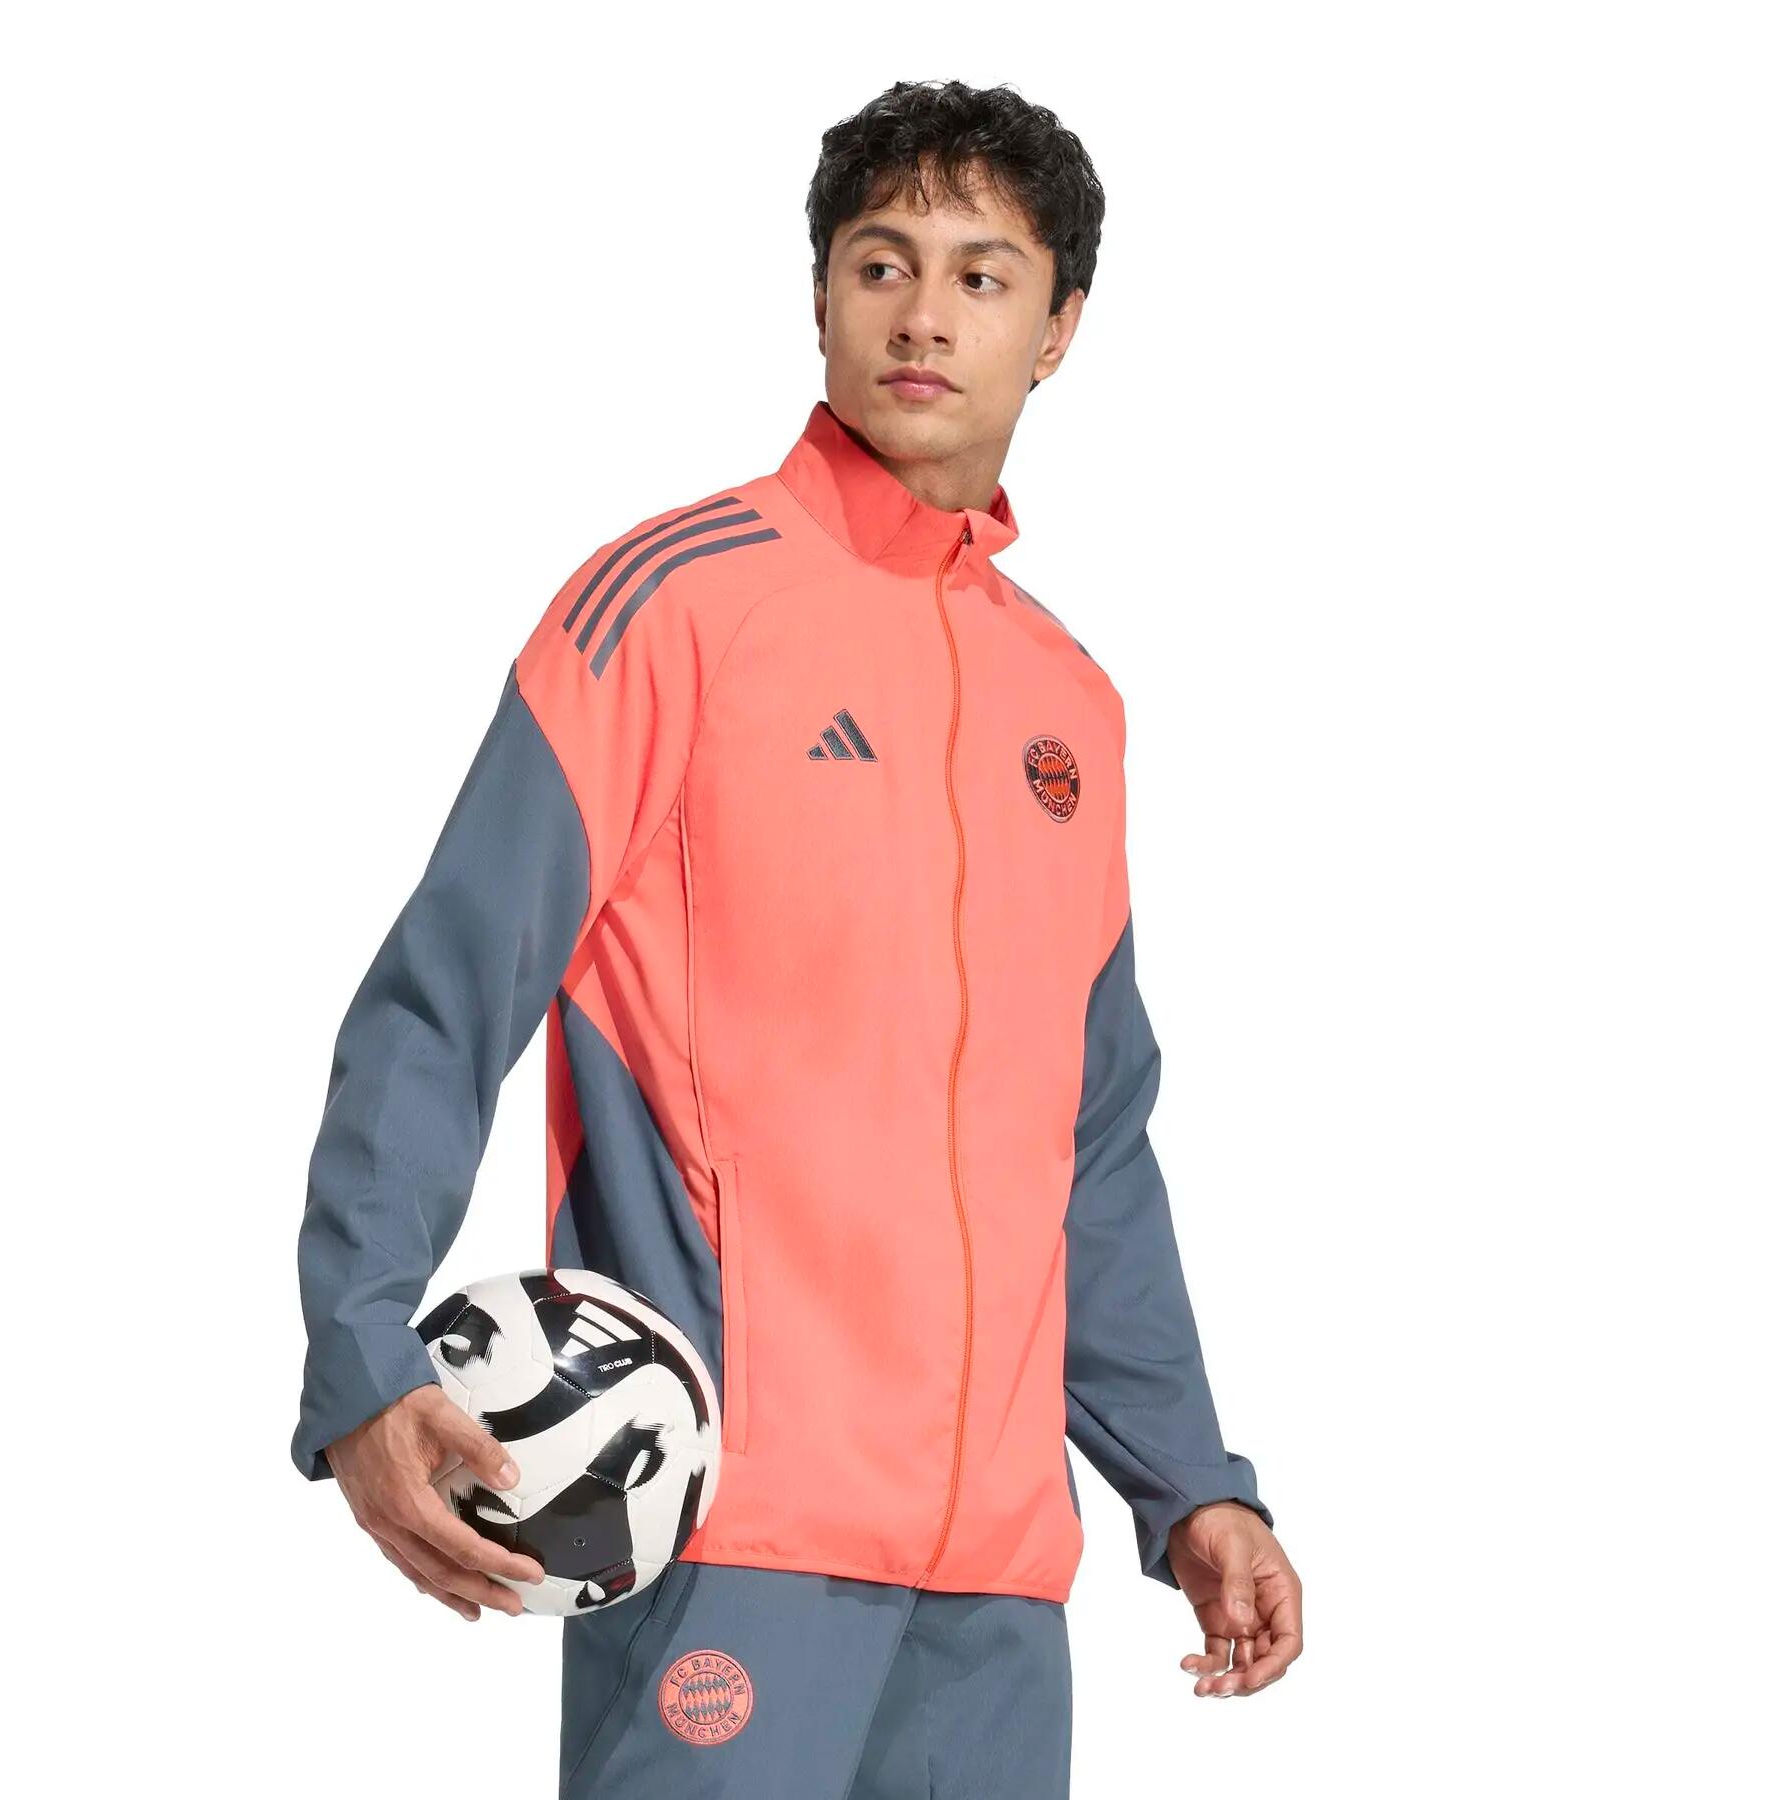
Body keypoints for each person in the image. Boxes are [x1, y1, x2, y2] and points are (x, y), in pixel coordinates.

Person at [291, 77, 1304, 1797]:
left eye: (983, 276)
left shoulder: (1070, 704)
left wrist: (1187, 1480)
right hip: (721, 1524)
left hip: (996, 1580)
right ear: (820, 294)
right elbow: (442, 998)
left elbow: (1090, 1144)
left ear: (1060, 328)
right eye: (880, 263)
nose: (925, 315)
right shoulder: (670, 609)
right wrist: (361, 1350)